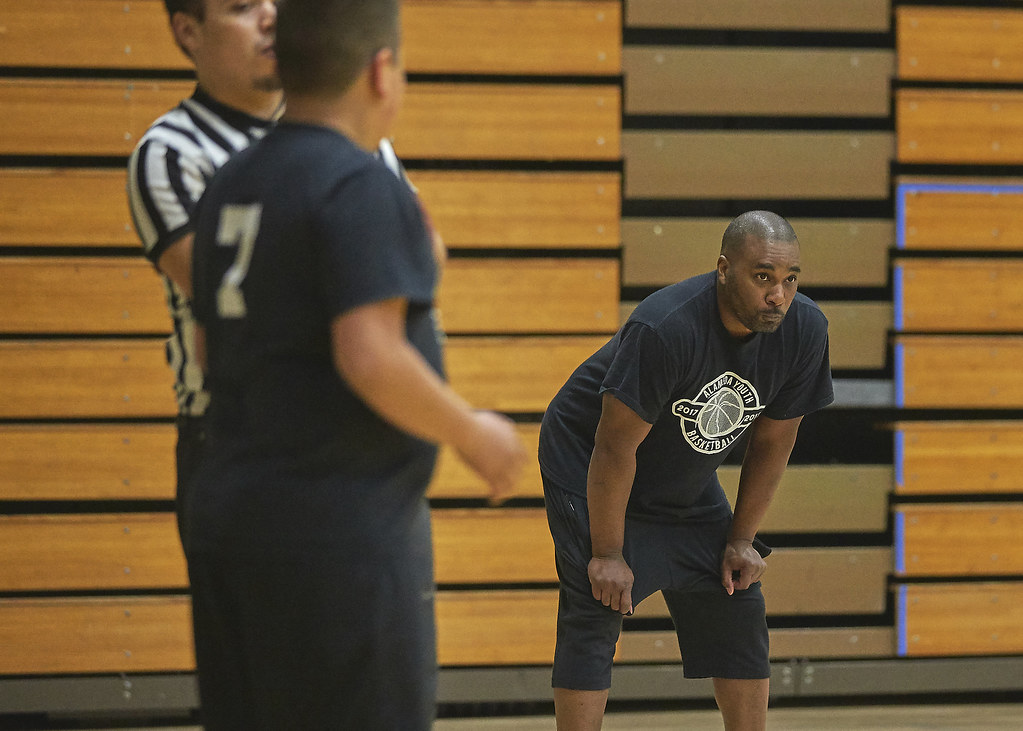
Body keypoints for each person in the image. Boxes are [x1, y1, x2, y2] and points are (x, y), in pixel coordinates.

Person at [186, 0, 528, 728]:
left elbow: (207, 346)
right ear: (380, 70)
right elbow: (370, 353)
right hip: (334, 539)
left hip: (230, 518)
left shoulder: (231, 183)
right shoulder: (361, 181)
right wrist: (472, 432)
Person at [126, 0, 429, 548]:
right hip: (244, 440)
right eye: (243, 7)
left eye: (275, 2)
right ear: (187, 31)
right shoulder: (170, 155)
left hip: (365, 436)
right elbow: (245, 308)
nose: (270, 17)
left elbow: (423, 255)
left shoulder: (349, 127)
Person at [538, 211, 834, 730]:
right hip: (590, 464)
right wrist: (607, 552)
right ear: (724, 269)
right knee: (597, 603)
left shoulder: (804, 330)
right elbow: (612, 449)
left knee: (736, 594)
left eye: (790, 280)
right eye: (762, 276)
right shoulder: (666, 327)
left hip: (681, 473)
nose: (778, 296)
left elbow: (774, 440)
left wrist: (742, 539)